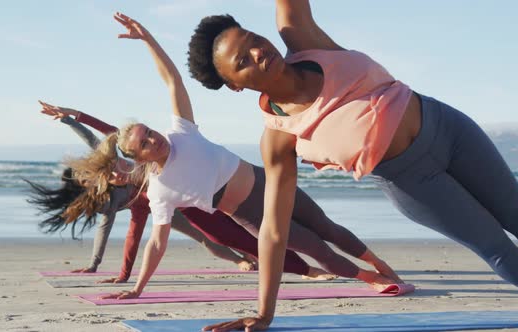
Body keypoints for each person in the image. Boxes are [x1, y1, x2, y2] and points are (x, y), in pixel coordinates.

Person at [186, 1, 518, 330]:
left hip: (448, 128)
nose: (256, 51)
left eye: (251, 38)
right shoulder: (280, 137)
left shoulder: (305, 41)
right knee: (496, 247)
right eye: (242, 61)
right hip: (415, 183)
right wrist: (264, 313)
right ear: (235, 85)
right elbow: (273, 231)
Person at [97, 12, 401, 300]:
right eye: (145, 143)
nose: (154, 139)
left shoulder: (182, 132)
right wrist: (137, 288)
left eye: (149, 131)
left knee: (327, 227)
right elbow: (157, 243)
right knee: (319, 250)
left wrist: (148, 39)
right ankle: (370, 278)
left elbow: (172, 80)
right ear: (141, 158)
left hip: (267, 183)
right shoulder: (161, 190)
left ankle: (380, 263)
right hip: (253, 217)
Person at [40, 103, 338, 283]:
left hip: (206, 182)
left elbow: (107, 133)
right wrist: (122, 273)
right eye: (111, 177)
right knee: (228, 238)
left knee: (273, 221)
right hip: (187, 206)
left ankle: (324, 247)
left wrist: (73, 116)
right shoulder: (130, 198)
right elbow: (134, 234)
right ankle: (306, 269)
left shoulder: (125, 154)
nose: (117, 173)